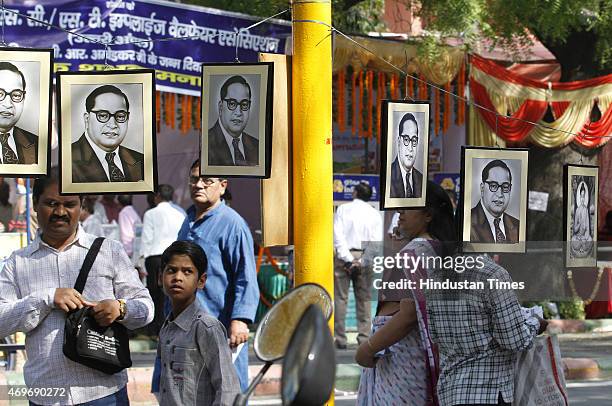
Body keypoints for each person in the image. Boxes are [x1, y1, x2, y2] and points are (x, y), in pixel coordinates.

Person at [0, 170, 153, 405]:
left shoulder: (109, 251)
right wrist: (46, 298)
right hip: (46, 395)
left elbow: (146, 308)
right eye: (51, 204)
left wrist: (119, 308)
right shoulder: (17, 262)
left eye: (69, 204)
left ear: (81, 206)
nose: (60, 212)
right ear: (35, 205)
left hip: (103, 393)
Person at [152, 159, 259, 393]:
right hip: (182, 326)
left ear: (222, 185)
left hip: (216, 327)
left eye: (206, 180)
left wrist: (240, 320)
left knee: (223, 391)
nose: (198, 185)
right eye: (193, 179)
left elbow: (246, 276)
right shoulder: (188, 220)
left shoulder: (233, 225)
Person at [355, 181, 454, 405]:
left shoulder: (416, 251)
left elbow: (408, 314)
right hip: (416, 358)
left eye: (406, 207)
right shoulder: (438, 248)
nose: (399, 213)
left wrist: (367, 349)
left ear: (427, 215)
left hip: (401, 359)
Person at [426, 254, 547, 405]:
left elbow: (434, 336)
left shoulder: (435, 275)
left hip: (451, 392)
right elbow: (514, 340)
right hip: (487, 392)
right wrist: (536, 323)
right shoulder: (493, 274)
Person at [158, 240, 240, 405]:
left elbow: (228, 389)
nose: (178, 278)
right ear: (160, 278)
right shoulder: (166, 329)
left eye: (187, 271)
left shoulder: (206, 327)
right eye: (171, 271)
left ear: (201, 281)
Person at [333, 182, 383, 349]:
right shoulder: (375, 214)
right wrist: (361, 260)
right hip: (364, 256)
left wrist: (348, 258)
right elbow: (375, 242)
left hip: (344, 256)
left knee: (340, 298)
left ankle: (340, 339)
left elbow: (337, 236)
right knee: (365, 299)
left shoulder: (342, 209)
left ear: (354, 193)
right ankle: (364, 339)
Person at [72, 85, 143, 183]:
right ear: (87, 119)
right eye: (103, 115)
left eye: (121, 116)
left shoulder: (140, 159)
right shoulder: (68, 159)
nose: (113, 124)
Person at [141, 184, 187, 336]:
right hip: (174, 256)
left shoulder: (151, 213)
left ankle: (155, 328)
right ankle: (172, 325)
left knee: (155, 294)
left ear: (157, 196)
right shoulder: (180, 213)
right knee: (173, 293)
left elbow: (146, 239)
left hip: (154, 256)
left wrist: (141, 262)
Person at [208, 75, 258, 166]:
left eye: (244, 104)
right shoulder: (207, 143)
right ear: (220, 107)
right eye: (232, 103)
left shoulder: (257, 146)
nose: (238, 112)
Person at [470, 159, 519, 244]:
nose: (500, 194)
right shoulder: (467, 222)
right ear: (482, 188)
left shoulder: (518, 225)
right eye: (493, 186)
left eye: (505, 186)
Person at [0, 62, 37, 165]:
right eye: (0, 94)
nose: (8, 104)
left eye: (16, 95)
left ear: (23, 98)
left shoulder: (38, 144)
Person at [390, 112, 423, 198]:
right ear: (398, 141)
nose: (410, 148)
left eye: (414, 140)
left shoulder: (421, 179)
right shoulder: (389, 175)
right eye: (406, 139)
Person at [117, 194, 141, 258]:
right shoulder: (133, 211)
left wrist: (126, 253)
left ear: (119, 202)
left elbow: (126, 235)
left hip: (129, 252)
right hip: (136, 249)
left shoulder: (124, 213)